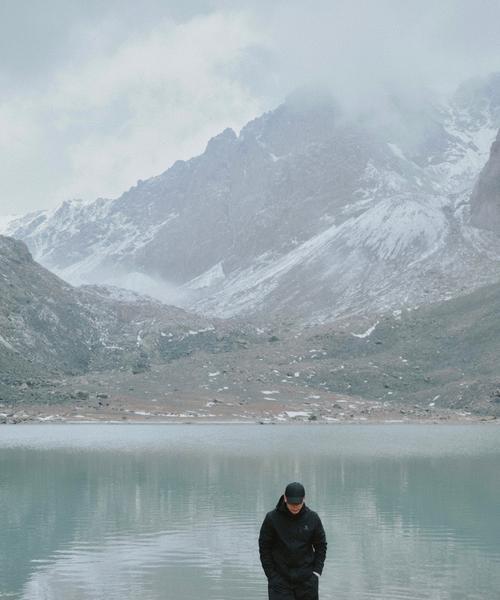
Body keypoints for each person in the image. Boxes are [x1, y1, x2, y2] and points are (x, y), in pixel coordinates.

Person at [258, 482, 327, 600]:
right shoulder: (272, 518)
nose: (295, 506)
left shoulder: (313, 518)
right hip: (280, 582)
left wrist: (316, 573)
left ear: (304, 499)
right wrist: (271, 575)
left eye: (298, 503)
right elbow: (264, 548)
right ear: (285, 498)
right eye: (291, 503)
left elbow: (321, 546)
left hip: (307, 582)